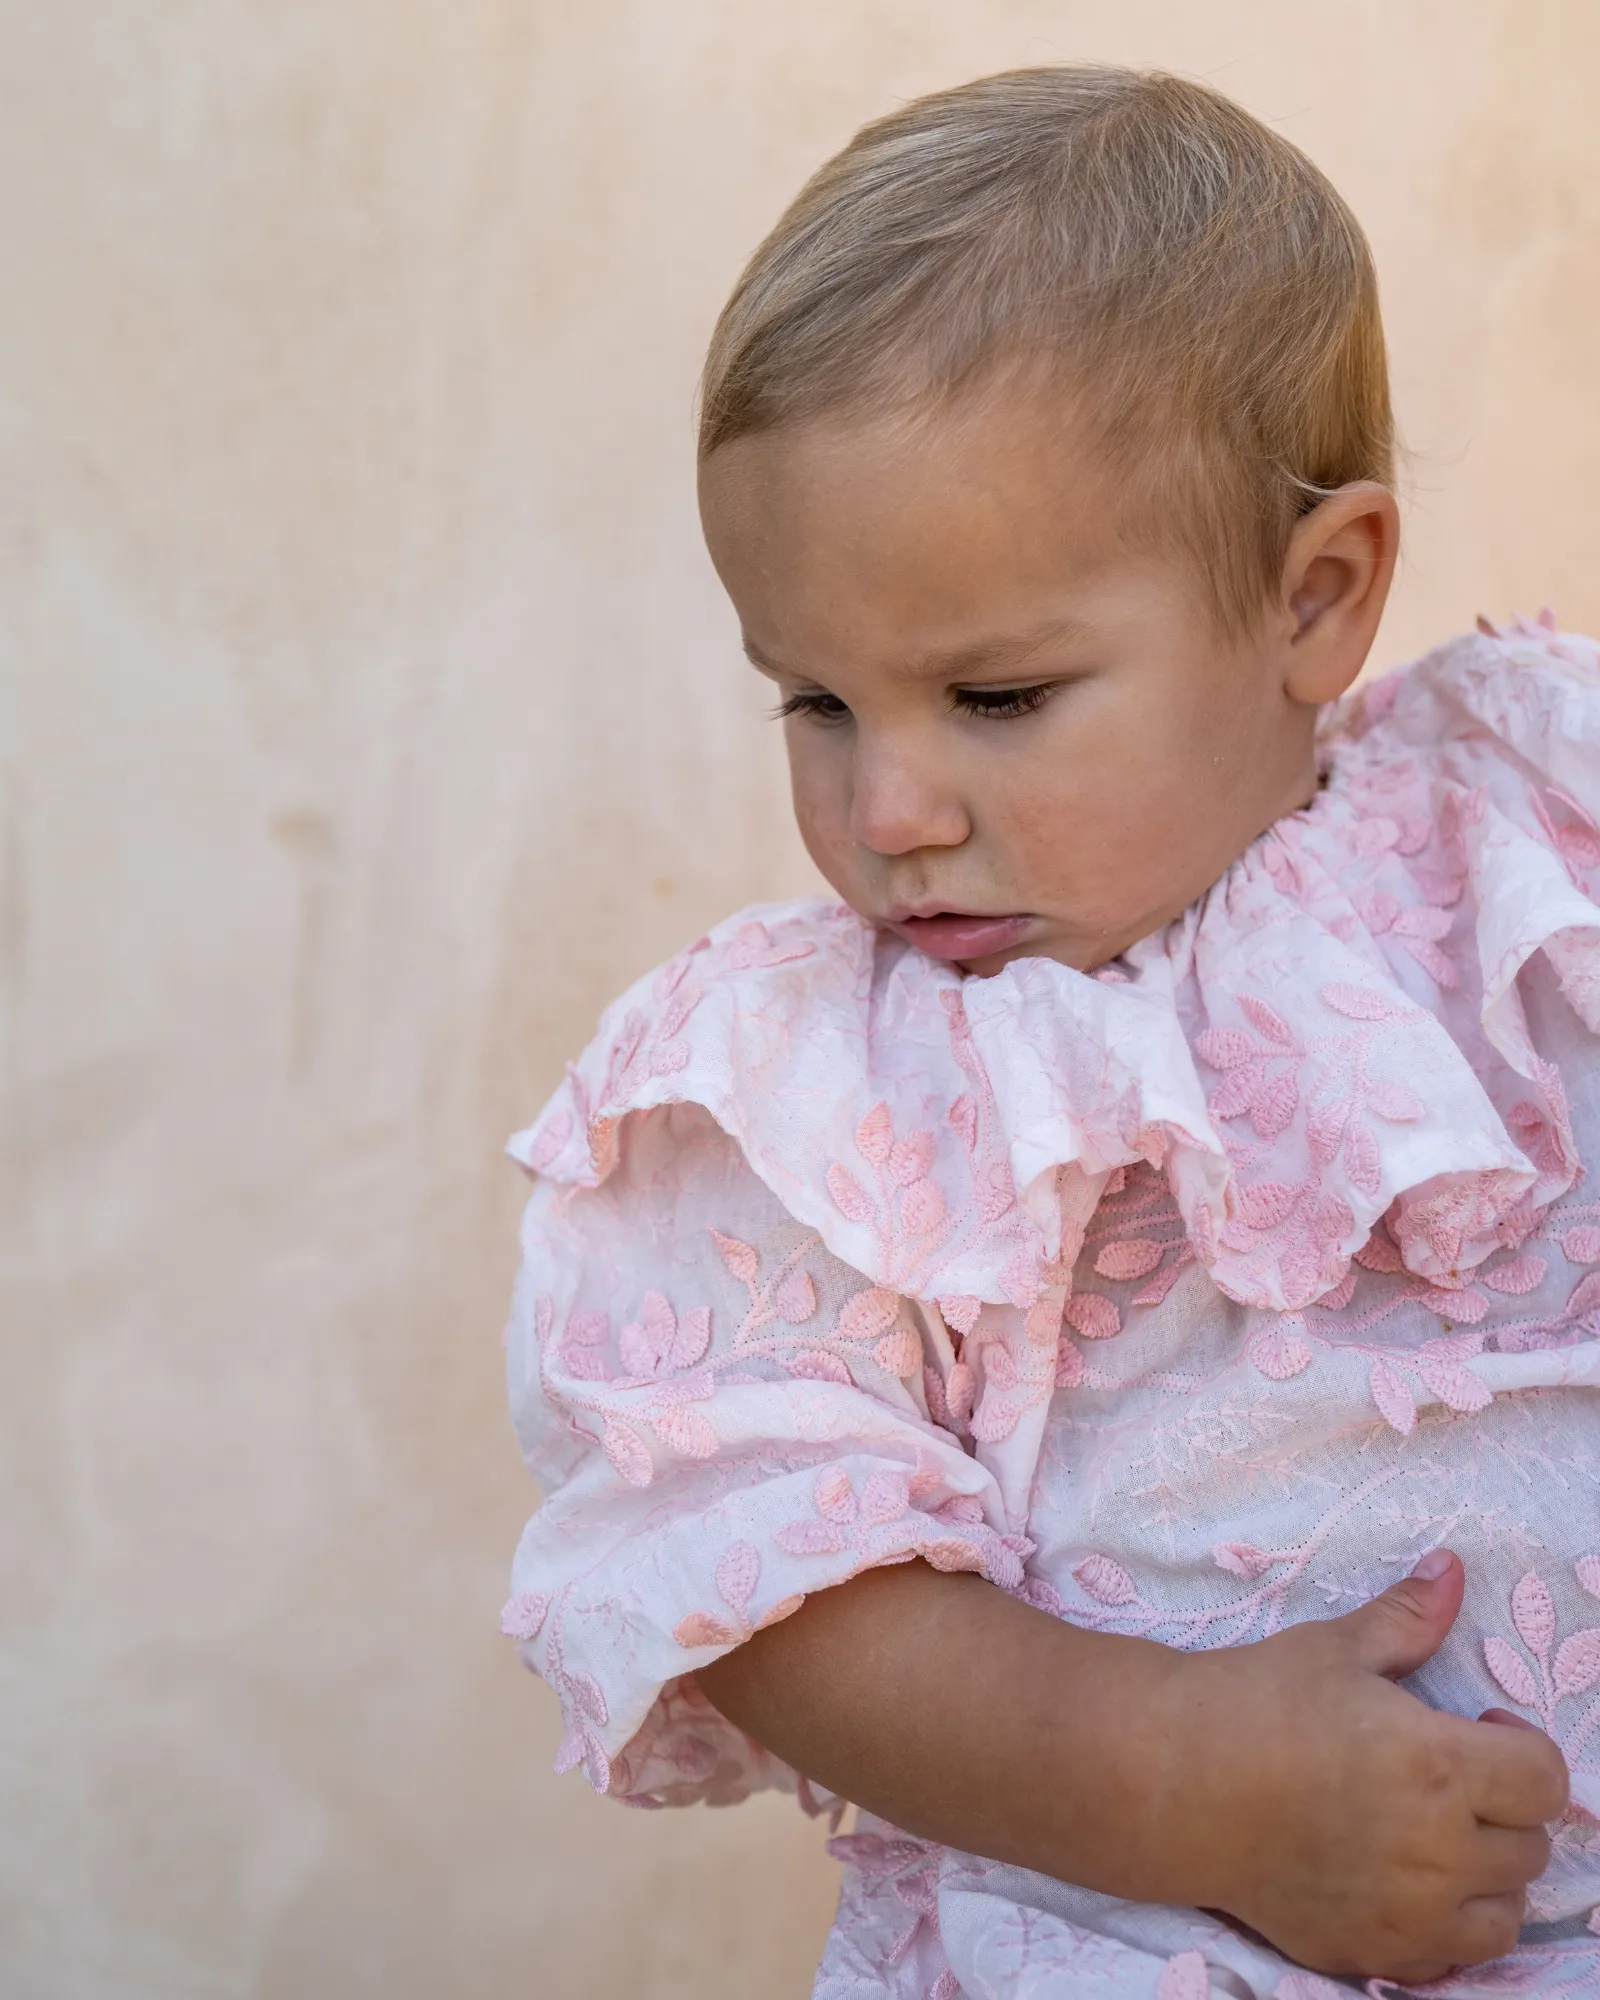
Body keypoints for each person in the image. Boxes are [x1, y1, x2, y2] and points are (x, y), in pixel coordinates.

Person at [501, 66, 1600, 1995]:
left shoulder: (1521, 832)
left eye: (995, 698)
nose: (888, 807)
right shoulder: (815, 1096)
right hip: (1141, 1943)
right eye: (817, 702)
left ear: (1315, 597)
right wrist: (1185, 1786)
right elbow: (774, 1581)